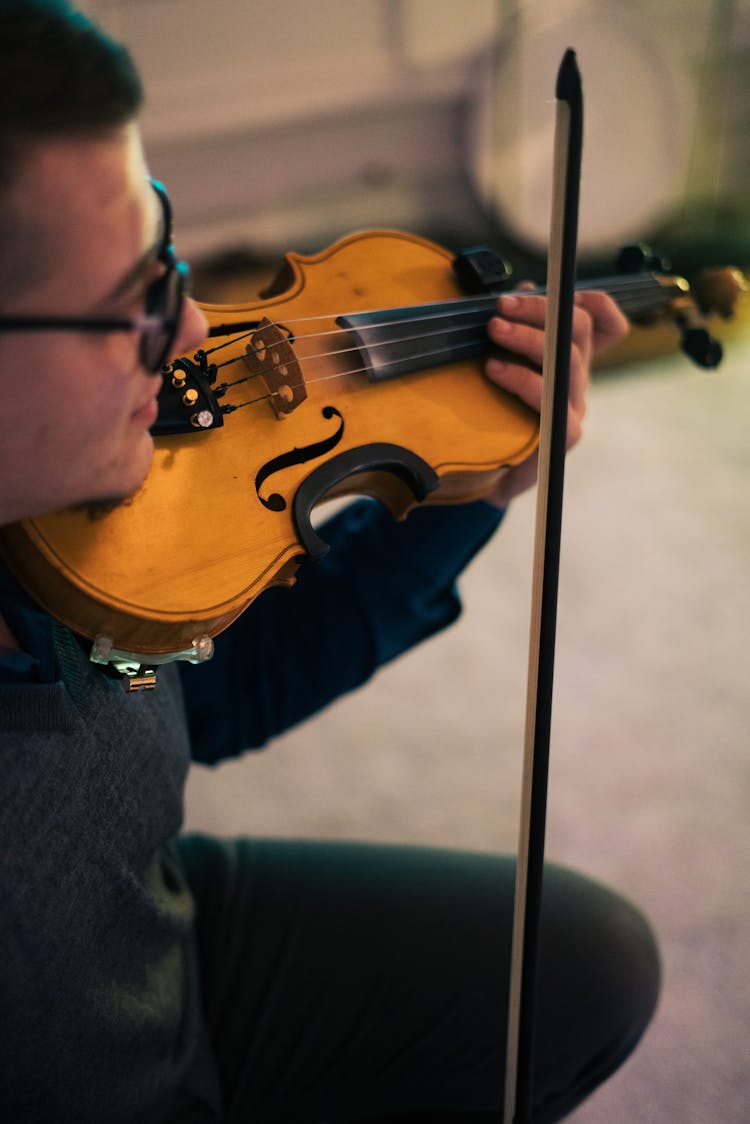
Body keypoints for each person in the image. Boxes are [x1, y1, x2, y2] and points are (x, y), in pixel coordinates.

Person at [0, 3, 659, 1122]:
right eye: (133, 302)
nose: (198, 328)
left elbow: (197, 690)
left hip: (157, 941)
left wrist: (469, 488)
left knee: (586, 959)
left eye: (167, 251)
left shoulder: (60, 550)